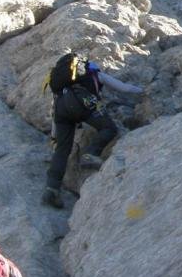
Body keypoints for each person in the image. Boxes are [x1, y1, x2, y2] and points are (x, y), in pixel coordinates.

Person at [42, 57, 144, 209]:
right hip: (82, 103)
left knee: (62, 150)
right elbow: (124, 88)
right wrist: (142, 91)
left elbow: (54, 109)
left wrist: (54, 136)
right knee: (109, 128)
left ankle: (51, 189)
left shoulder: (60, 83)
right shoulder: (94, 72)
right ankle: (91, 153)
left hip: (61, 108)